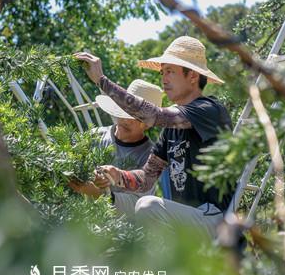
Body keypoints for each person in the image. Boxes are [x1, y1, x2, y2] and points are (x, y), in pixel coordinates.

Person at [74, 36, 233, 238]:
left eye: (170, 71)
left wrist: (102, 81)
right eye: (162, 72)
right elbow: (147, 178)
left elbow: (155, 116)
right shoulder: (172, 129)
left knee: (148, 206)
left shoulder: (209, 110)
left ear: (192, 76)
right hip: (186, 220)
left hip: (214, 219)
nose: (163, 78)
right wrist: (118, 175)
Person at [68, 79, 163, 217]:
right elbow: (68, 159)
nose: (126, 119)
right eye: (125, 111)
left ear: (148, 123)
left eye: (135, 116)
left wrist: (97, 193)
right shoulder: (96, 135)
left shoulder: (150, 156)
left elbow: (138, 205)